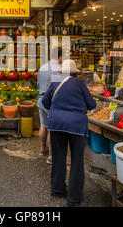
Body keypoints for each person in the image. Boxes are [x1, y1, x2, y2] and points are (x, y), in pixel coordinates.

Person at [41, 59, 103, 207]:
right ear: (75, 72)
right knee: (76, 161)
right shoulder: (80, 83)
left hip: (56, 125)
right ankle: (74, 198)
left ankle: (58, 190)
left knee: (58, 158)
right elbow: (92, 104)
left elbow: (44, 102)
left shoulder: (55, 82)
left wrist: (57, 109)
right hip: (76, 126)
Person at [37, 46, 62, 164]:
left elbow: (38, 84)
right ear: (60, 57)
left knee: (43, 126)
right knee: (52, 129)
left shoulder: (42, 67)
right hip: (52, 102)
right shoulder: (60, 69)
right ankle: (51, 156)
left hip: (41, 100)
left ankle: (43, 149)